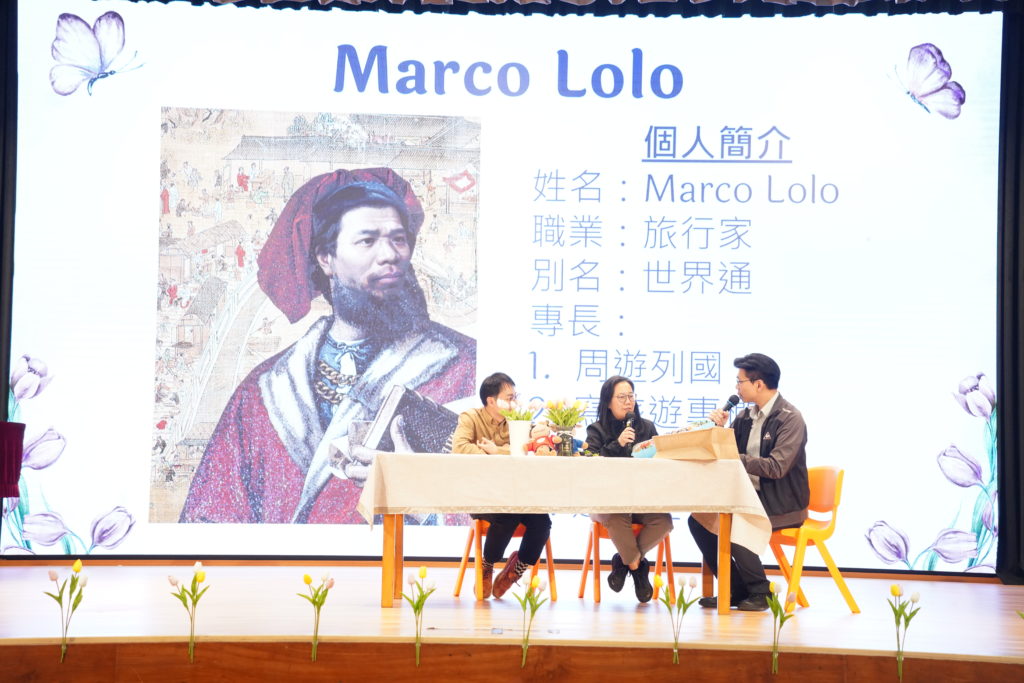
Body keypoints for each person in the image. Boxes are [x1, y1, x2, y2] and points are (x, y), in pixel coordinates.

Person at [180, 167, 476, 524]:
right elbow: (207, 523)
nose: (389, 255)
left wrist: (418, 496)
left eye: (398, 239)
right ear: (326, 258)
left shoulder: (464, 366)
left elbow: (504, 507)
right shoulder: (265, 391)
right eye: (367, 241)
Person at [687, 353, 809, 612]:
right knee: (698, 520)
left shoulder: (790, 419)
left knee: (734, 518)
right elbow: (727, 452)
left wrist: (734, 457)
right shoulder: (745, 416)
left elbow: (776, 467)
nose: (736, 387)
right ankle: (735, 589)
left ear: (759, 384)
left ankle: (761, 591)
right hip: (748, 495)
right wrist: (719, 431)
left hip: (782, 502)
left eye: (740, 381)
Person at [451, 373, 552, 599]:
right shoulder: (470, 418)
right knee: (508, 514)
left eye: (515, 396)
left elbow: (529, 448)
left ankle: (516, 570)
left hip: (516, 493)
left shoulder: (518, 421)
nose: (514, 402)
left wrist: (497, 451)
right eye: (509, 397)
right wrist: (498, 456)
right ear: (491, 400)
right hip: (482, 494)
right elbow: (460, 448)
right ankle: (487, 564)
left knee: (542, 522)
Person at [585, 375, 672, 603]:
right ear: (608, 402)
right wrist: (618, 444)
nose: (628, 402)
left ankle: (623, 563)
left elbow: (660, 462)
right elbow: (589, 464)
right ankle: (638, 569)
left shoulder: (647, 427)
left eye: (631, 396)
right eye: (621, 397)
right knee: (616, 518)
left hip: (641, 498)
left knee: (664, 521)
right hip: (607, 501)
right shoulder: (596, 430)